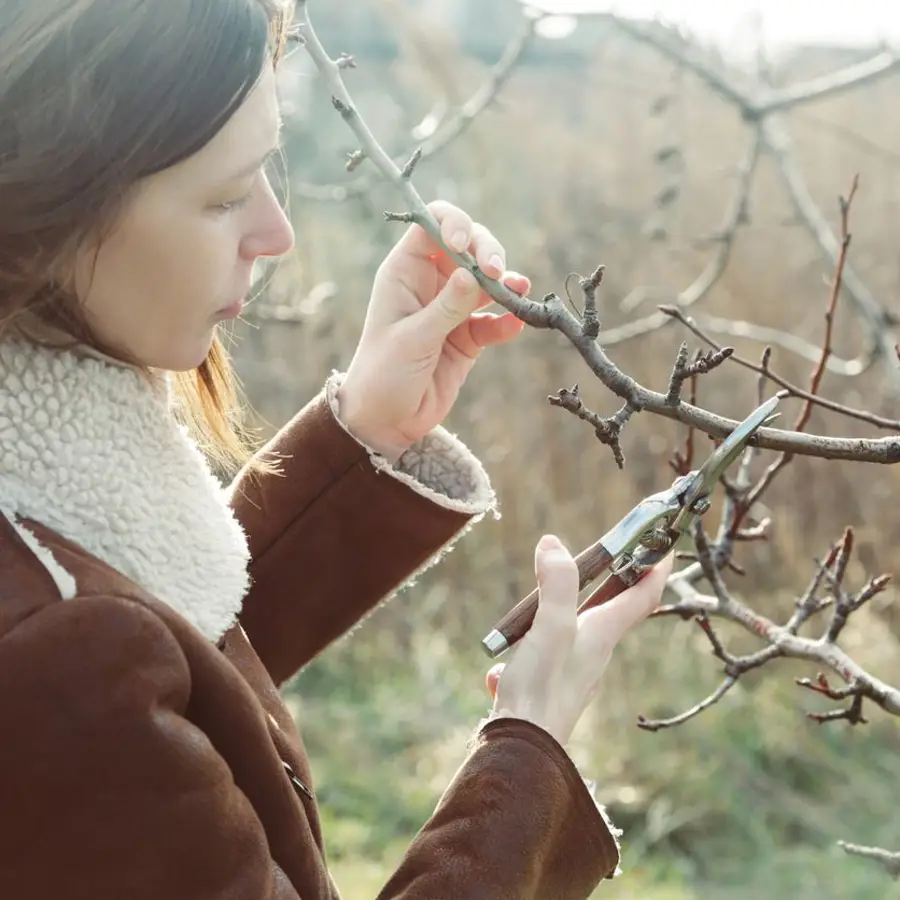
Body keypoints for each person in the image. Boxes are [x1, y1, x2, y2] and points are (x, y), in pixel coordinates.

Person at [0, 1, 672, 898]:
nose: (276, 233)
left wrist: (367, 433)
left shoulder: (49, 543)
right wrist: (529, 750)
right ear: (46, 201)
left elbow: (160, 684)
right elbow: (96, 680)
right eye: (227, 193)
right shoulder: (48, 655)